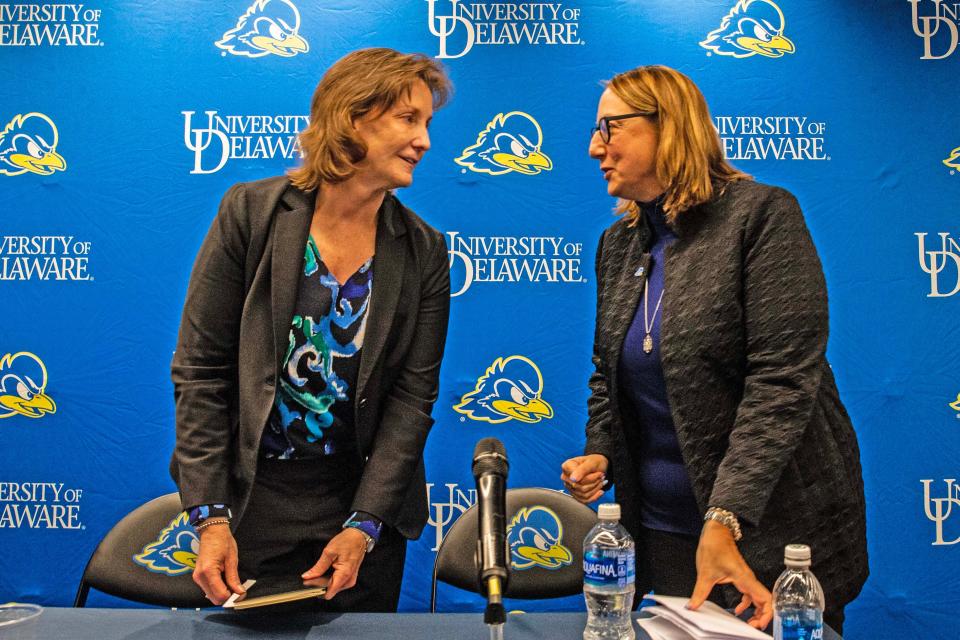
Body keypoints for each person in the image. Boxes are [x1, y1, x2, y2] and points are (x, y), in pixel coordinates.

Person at [560, 65, 867, 633]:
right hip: (664, 533)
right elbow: (608, 374)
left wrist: (725, 518)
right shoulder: (618, 245)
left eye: (609, 128)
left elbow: (781, 385)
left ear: (667, 127)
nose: (592, 146)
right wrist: (601, 448)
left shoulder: (760, 216)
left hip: (770, 531)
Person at [169, 48, 452, 612]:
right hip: (252, 505)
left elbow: (411, 399)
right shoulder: (250, 214)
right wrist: (210, 518)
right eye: (408, 119)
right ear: (351, 117)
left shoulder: (424, 250)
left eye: (427, 122)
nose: (424, 140)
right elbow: (201, 373)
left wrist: (365, 525)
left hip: (360, 511)